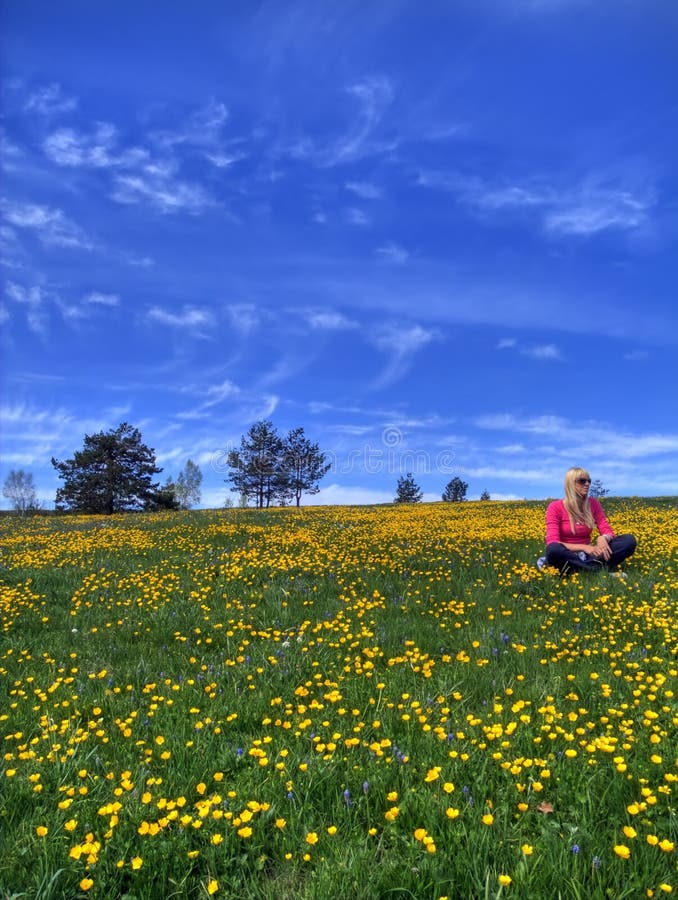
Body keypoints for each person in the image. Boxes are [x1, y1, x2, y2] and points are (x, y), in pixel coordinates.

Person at [537, 467, 636, 575]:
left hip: (589, 556)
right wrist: (584, 547)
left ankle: (582, 570)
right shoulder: (555, 507)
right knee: (553, 550)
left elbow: (607, 530)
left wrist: (603, 538)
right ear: (571, 484)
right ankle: (597, 572)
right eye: (582, 481)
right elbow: (552, 542)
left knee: (628, 541)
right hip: (566, 555)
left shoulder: (593, 504)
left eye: (589, 480)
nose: (587, 483)